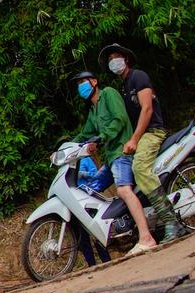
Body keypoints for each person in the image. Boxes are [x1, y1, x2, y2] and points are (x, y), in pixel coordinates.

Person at [99, 44, 186, 242]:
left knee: (139, 168)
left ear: (126, 59)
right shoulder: (122, 87)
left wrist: (134, 139)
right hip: (139, 136)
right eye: (110, 59)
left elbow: (147, 109)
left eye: (117, 57)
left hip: (152, 132)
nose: (114, 61)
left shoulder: (138, 77)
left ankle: (171, 221)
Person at [73, 72, 157, 255]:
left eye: (83, 82)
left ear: (94, 82)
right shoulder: (93, 110)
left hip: (122, 153)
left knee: (123, 190)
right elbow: (85, 134)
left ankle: (146, 237)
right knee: (89, 190)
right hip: (111, 159)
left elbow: (120, 119)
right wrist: (66, 148)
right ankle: (118, 225)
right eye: (78, 84)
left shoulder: (109, 94)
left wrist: (102, 137)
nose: (81, 86)